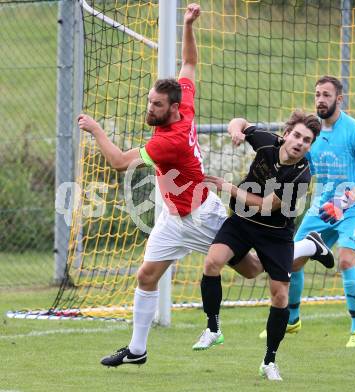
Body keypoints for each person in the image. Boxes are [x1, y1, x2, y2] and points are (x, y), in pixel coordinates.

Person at [78, 3, 262, 368]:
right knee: (146, 275)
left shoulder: (169, 141)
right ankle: (137, 350)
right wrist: (189, 25)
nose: (149, 108)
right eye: (149, 101)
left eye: (156, 104)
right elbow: (190, 64)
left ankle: (307, 245)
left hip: (201, 216)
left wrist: (96, 128)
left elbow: (117, 163)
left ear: (173, 108)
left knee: (255, 270)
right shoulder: (184, 104)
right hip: (172, 216)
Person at [192, 111, 327, 381]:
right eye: (297, 135)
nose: (300, 142)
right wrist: (236, 132)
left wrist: (227, 187)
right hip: (242, 222)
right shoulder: (266, 141)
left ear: (310, 146)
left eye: (307, 140)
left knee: (280, 297)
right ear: (287, 134)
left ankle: (269, 362)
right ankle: (213, 329)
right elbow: (239, 121)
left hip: (276, 234)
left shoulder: (301, 175)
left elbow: (267, 205)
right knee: (213, 262)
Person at [262, 75, 355, 348]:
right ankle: (292, 320)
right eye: (317, 94)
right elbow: (306, 170)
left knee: (346, 261)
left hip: (352, 207)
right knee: (291, 258)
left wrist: (351, 195)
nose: (320, 99)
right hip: (323, 206)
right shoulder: (311, 136)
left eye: (326, 95)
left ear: (339, 99)